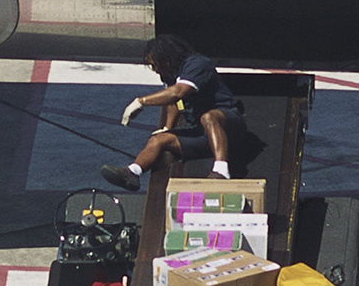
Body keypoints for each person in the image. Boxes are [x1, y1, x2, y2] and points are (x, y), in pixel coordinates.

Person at [100, 35, 249, 191]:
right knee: (158, 140)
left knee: (209, 117)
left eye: (155, 64)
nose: (155, 69)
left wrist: (140, 101)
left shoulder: (198, 64)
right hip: (201, 132)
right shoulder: (170, 73)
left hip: (229, 125)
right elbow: (173, 102)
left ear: (167, 57)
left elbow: (178, 93)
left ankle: (221, 171)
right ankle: (133, 172)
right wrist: (167, 128)